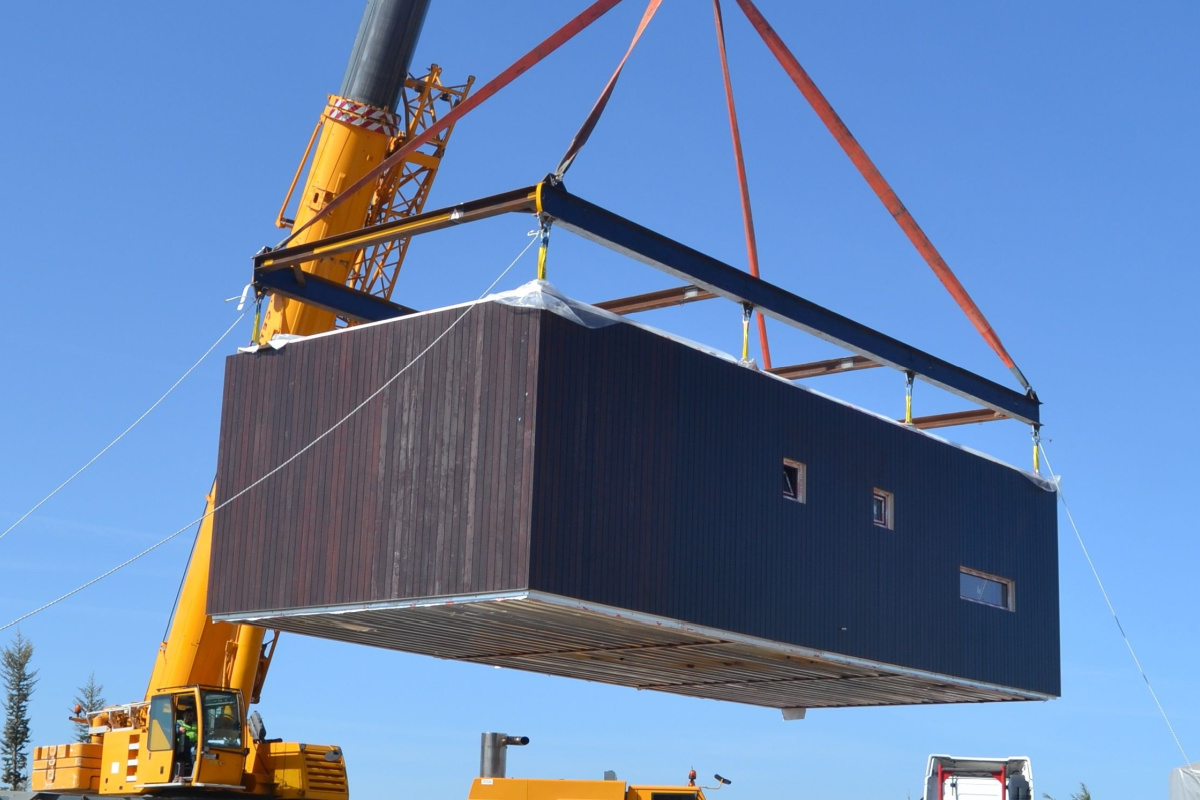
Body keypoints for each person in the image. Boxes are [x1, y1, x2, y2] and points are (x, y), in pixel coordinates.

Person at [175, 706, 197, 781]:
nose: (189, 717)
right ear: (183, 715)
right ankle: (194, 770)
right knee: (193, 751)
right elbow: (176, 730)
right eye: (187, 715)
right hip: (183, 745)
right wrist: (179, 729)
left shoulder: (196, 724)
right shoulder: (179, 722)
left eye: (191, 715)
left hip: (195, 744)